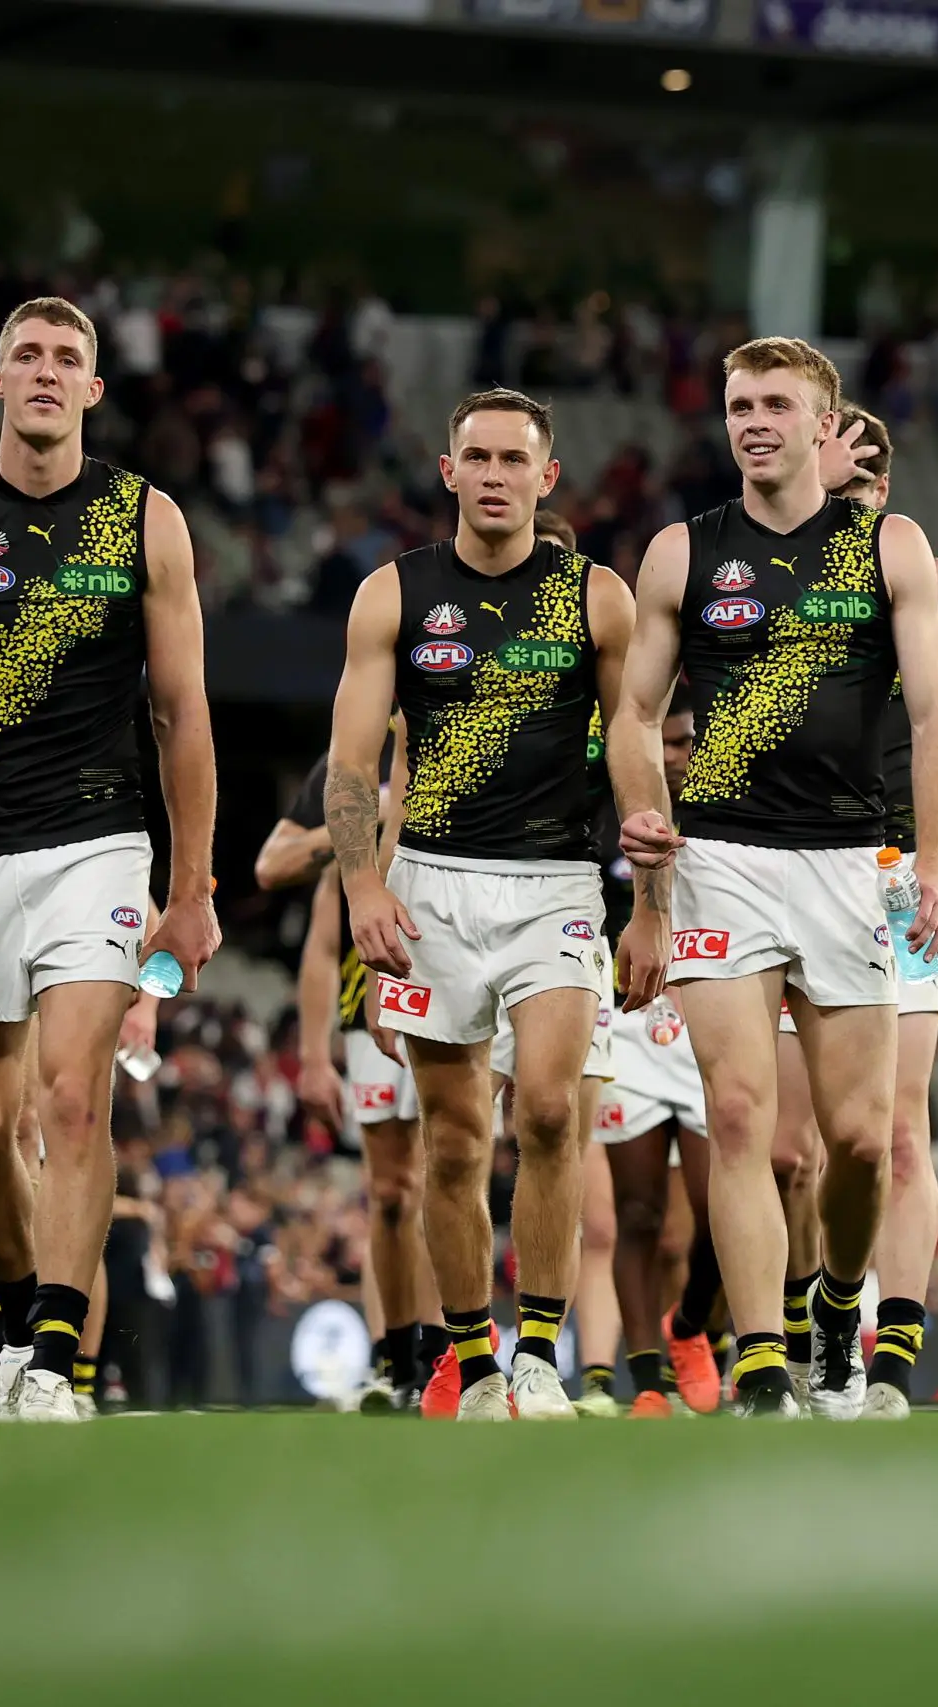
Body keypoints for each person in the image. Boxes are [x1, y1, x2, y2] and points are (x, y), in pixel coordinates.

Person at [0, 296, 222, 1424]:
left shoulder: (144, 519)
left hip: (96, 848)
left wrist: (191, 885)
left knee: (73, 1103)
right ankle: (22, 1324)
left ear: (93, 390)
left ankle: (57, 1365)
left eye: (68, 358)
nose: (45, 371)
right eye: (26, 353)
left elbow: (182, 710)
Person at [609, 336, 938, 1417]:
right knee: (741, 1115)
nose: (752, 421)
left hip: (854, 864)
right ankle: (761, 1362)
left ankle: (837, 1306)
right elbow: (630, 717)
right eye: (737, 404)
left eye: (774, 404)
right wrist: (645, 828)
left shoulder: (889, 548)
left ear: (824, 426)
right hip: (723, 861)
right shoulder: (682, 552)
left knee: (858, 1142)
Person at [322, 387, 634, 1422]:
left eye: (515, 459)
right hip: (432, 890)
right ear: (447, 472)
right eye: (477, 457)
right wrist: (363, 883)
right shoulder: (395, 596)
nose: (495, 475)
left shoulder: (598, 598)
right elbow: (351, 765)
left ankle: (539, 1352)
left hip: (557, 888)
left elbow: (634, 754)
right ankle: (472, 1355)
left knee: (547, 1112)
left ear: (547, 480)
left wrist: (658, 903)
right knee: (451, 1146)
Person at [775, 407, 938, 1421]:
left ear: (886, 493)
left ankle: (882, 1363)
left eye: (864, 486)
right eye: (833, 482)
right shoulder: (755, 572)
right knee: (794, 1152)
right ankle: (805, 1328)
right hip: (771, 864)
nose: (851, 500)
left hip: (893, 875)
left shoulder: (937, 590)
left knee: (892, 1133)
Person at [285, 749, 435, 1413]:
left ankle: (455, 1355)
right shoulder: (354, 792)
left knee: (449, 1176)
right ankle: (396, 1358)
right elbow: (322, 940)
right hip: (365, 1001)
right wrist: (314, 1056)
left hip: (454, 986)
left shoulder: (470, 749)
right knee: (391, 1192)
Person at [596, 709, 715, 1418]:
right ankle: (645, 1379)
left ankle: (691, 1324)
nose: (677, 754)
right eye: (665, 742)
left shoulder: (726, 804)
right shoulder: (609, 799)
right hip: (628, 1019)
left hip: (708, 1020)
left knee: (716, 1211)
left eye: (687, 741)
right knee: (637, 1213)